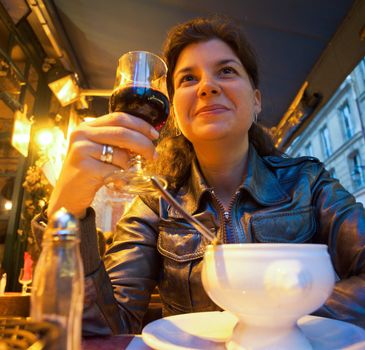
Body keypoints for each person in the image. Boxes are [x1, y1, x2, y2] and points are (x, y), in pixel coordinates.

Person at [32, 16, 365, 335]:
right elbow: (104, 328)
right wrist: (66, 212)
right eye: (188, 79)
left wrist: (276, 325)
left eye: (226, 71)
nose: (207, 86)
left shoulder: (308, 183)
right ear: (174, 110)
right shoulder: (154, 205)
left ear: (256, 101)